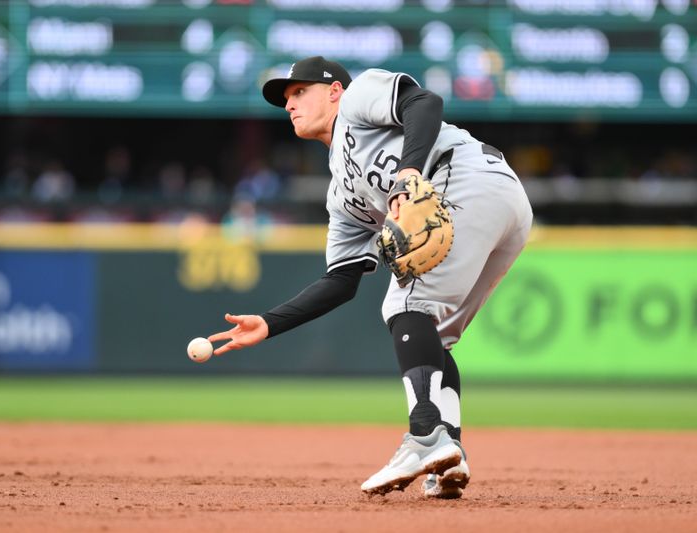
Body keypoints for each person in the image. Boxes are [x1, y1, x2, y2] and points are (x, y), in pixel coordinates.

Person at [208, 56, 533, 499]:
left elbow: (424, 103)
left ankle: (424, 437)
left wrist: (408, 173)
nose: (290, 104)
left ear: (334, 91)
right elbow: (341, 280)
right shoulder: (342, 193)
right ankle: (448, 453)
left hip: (469, 177)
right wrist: (270, 323)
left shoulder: (359, 97)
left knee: (404, 304)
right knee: (433, 335)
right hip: (502, 205)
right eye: (286, 99)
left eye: (300, 91)